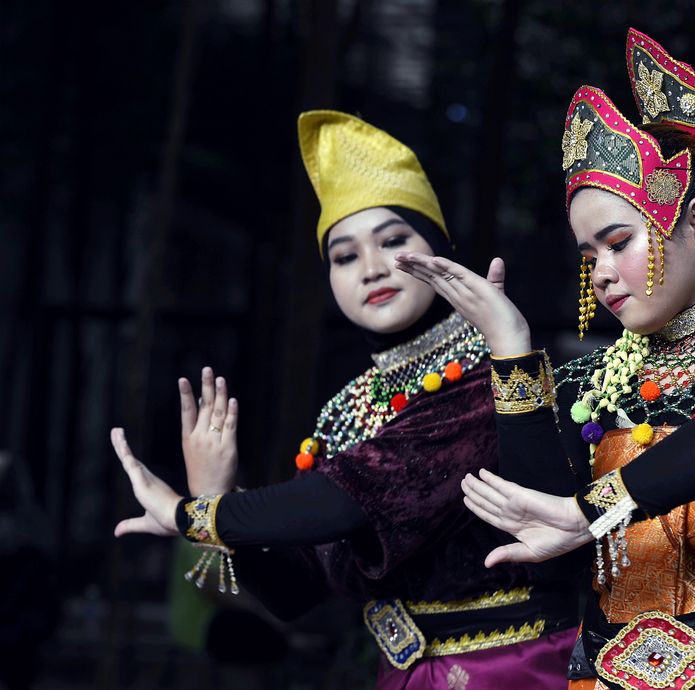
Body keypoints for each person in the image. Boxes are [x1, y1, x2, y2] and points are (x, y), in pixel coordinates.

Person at [395, 28, 695, 689]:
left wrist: (596, 508)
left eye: (618, 242)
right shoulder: (595, 386)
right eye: (587, 255)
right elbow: (543, 528)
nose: (598, 272)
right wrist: (510, 349)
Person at [111, 110, 580, 689]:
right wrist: (216, 493)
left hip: (515, 672)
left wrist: (191, 514)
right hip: (402, 676)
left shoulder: (488, 377)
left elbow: (351, 499)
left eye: (393, 240)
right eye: (344, 255)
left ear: (438, 246)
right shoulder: (346, 411)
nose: (372, 268)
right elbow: (293, 593)